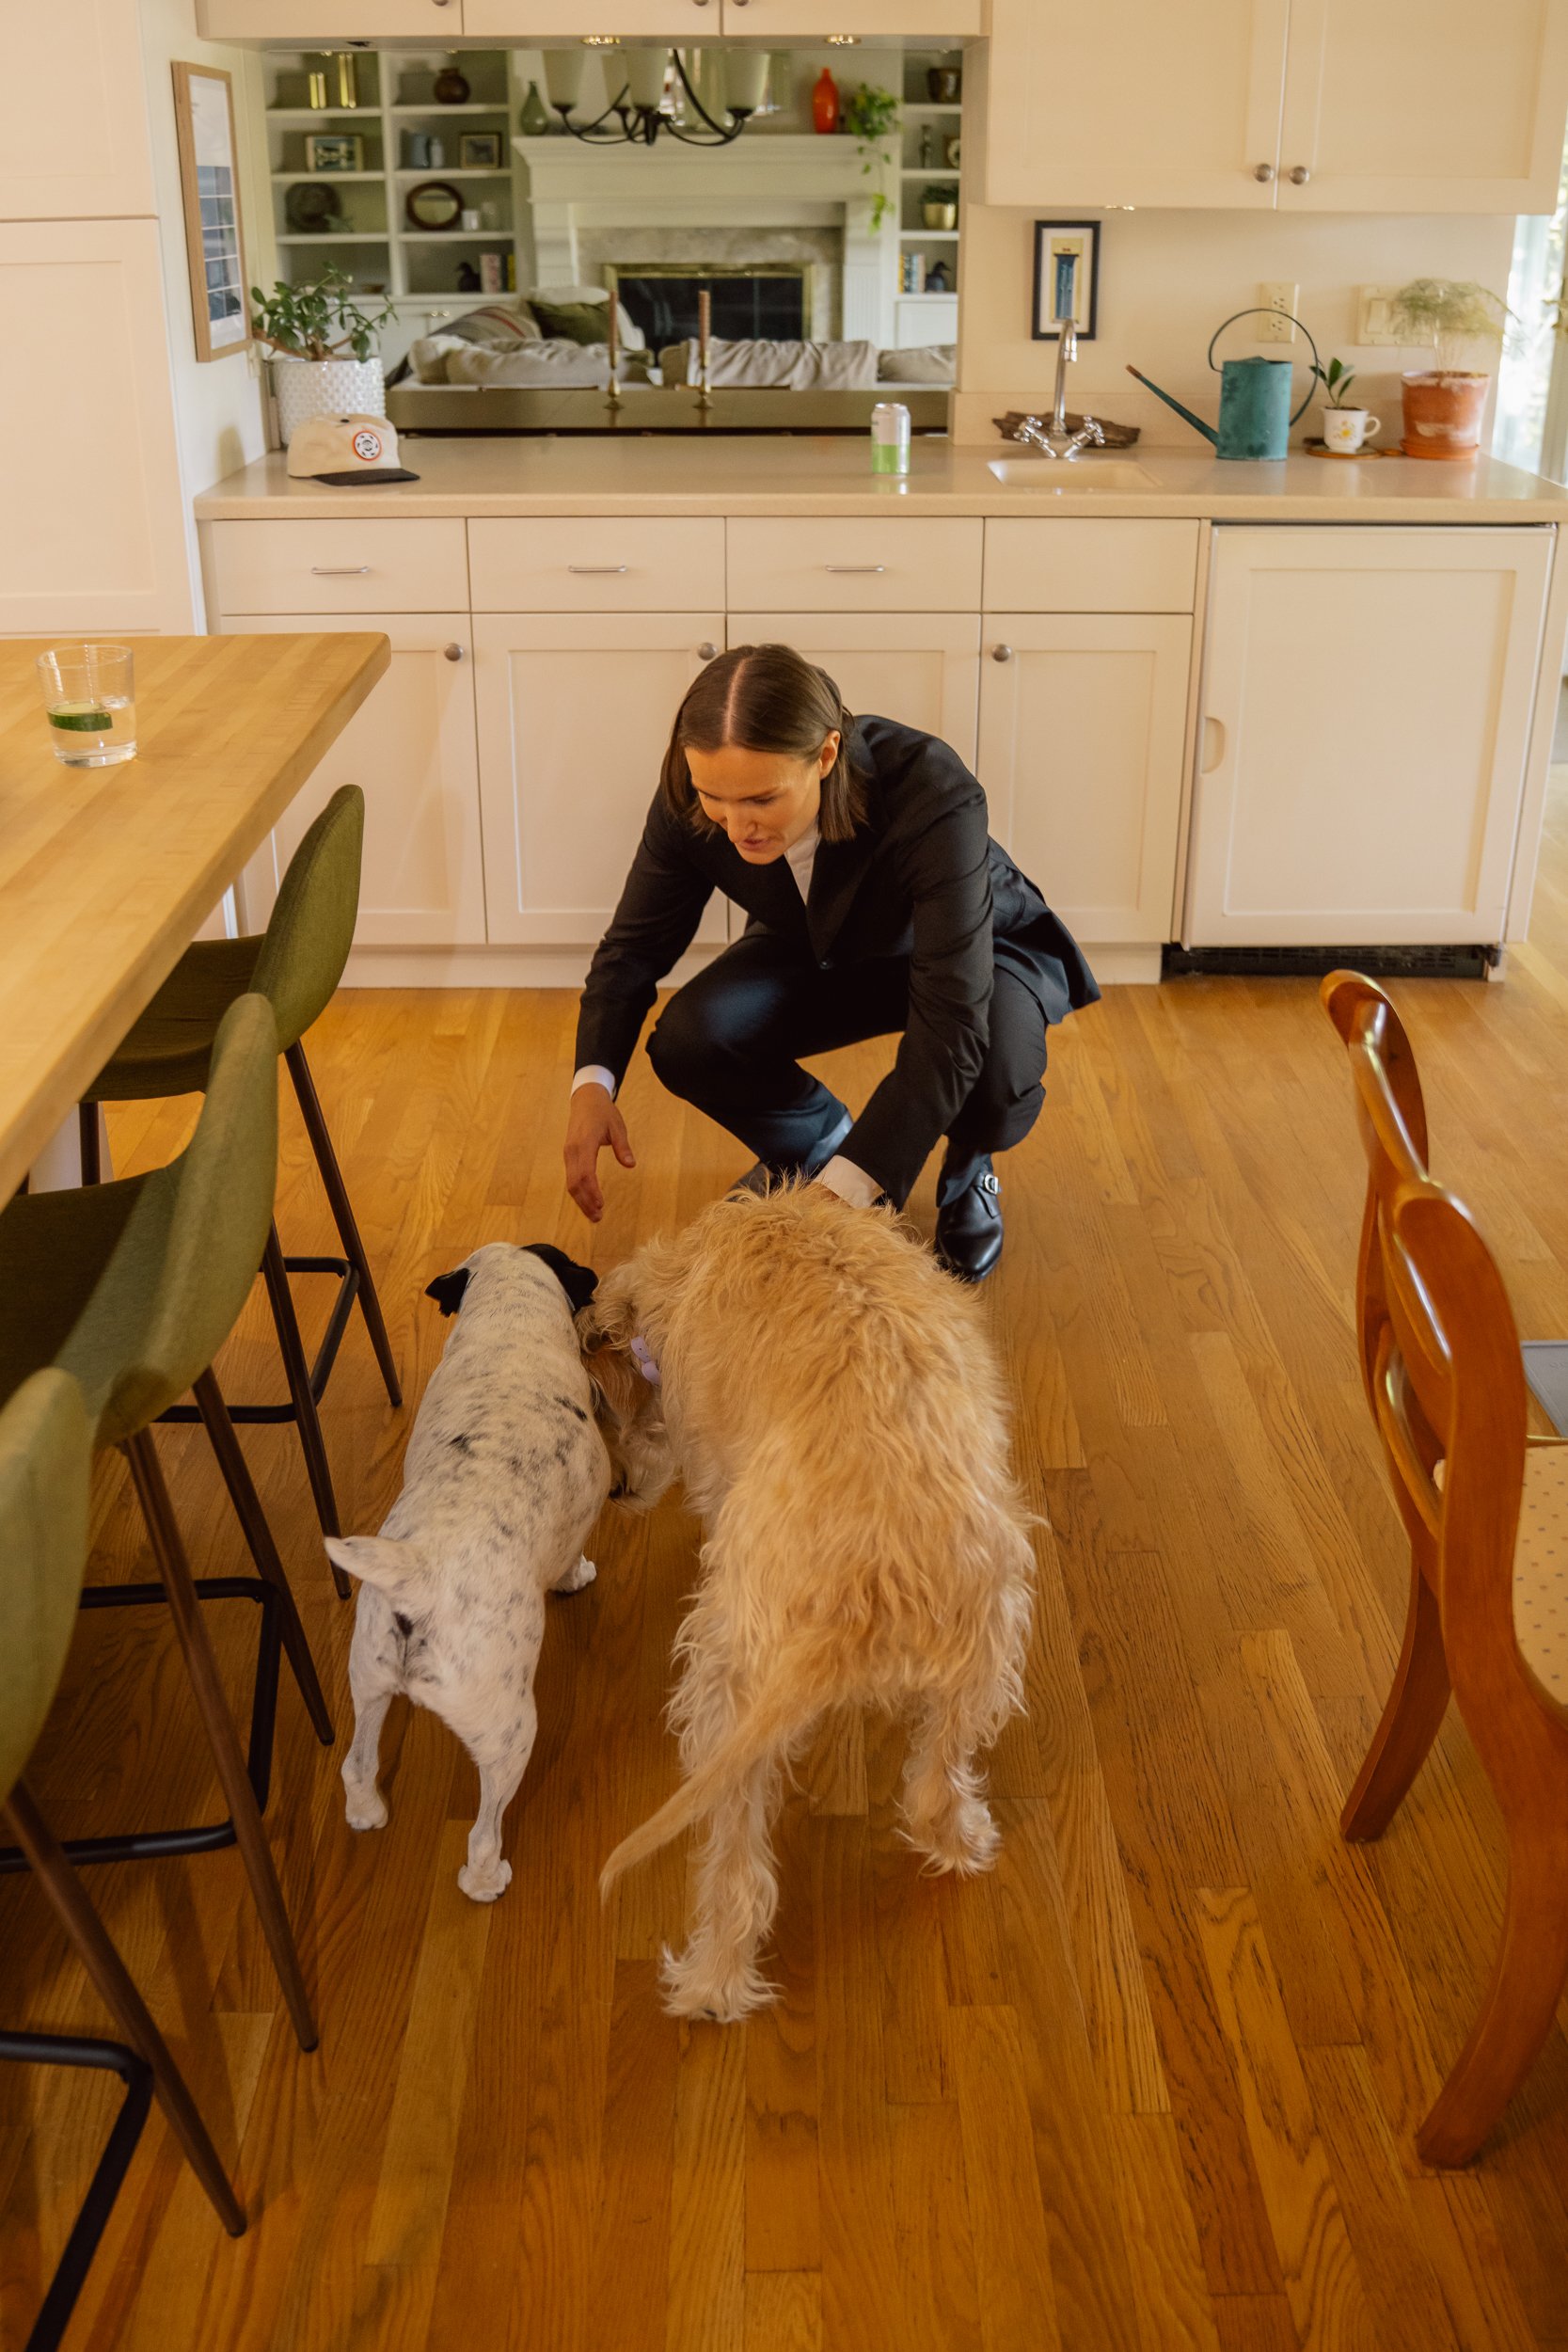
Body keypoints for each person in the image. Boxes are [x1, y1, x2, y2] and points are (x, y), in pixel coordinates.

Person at [562, 643, 1099, 1281]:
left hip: (975, 953)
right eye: (716, 799)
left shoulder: (932, 786)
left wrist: (846, 1195)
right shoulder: (696, 790)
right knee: (690, 1040)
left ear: (824, 756)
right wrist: (591, 1087)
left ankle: (968, 1163)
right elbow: (633, 948)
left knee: (990, 1073)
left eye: (762, 799)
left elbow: (950, 1023)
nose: (736, 826)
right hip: (821, 943)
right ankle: (819, 1142)